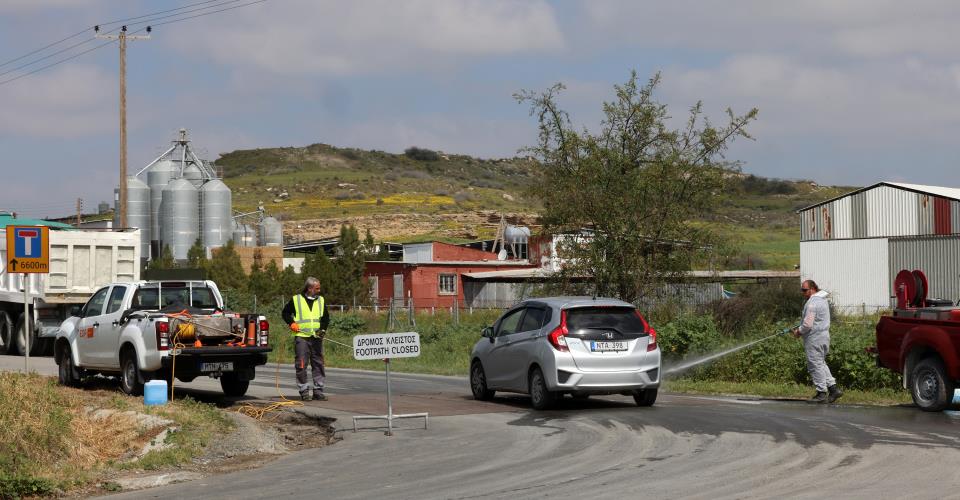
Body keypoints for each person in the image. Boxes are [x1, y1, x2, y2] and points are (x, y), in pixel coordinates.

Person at [793, 280, 843, 404]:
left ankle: (821, 393)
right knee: (820, 363)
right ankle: (833, 389)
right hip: (823, 336)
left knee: (814, 365)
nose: (803, 292)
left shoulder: (812, 304)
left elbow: (807, 324)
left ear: (813, 289)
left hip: (814, 338)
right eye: (802, 290)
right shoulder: (823, 300)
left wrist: (798, 332)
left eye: (805, 290)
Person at [282, 276, 330, 401]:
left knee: (318, 363)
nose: (319, 291)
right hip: (302, 338)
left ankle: (318, 391)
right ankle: (304, 390)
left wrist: (322, 330)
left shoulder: (321, 300)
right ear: (309, 288)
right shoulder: (296, 299)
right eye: (317, 288)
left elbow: (325, 318)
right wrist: (291, 323)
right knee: (302, 364)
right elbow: (285, 313)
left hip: (316, 338)